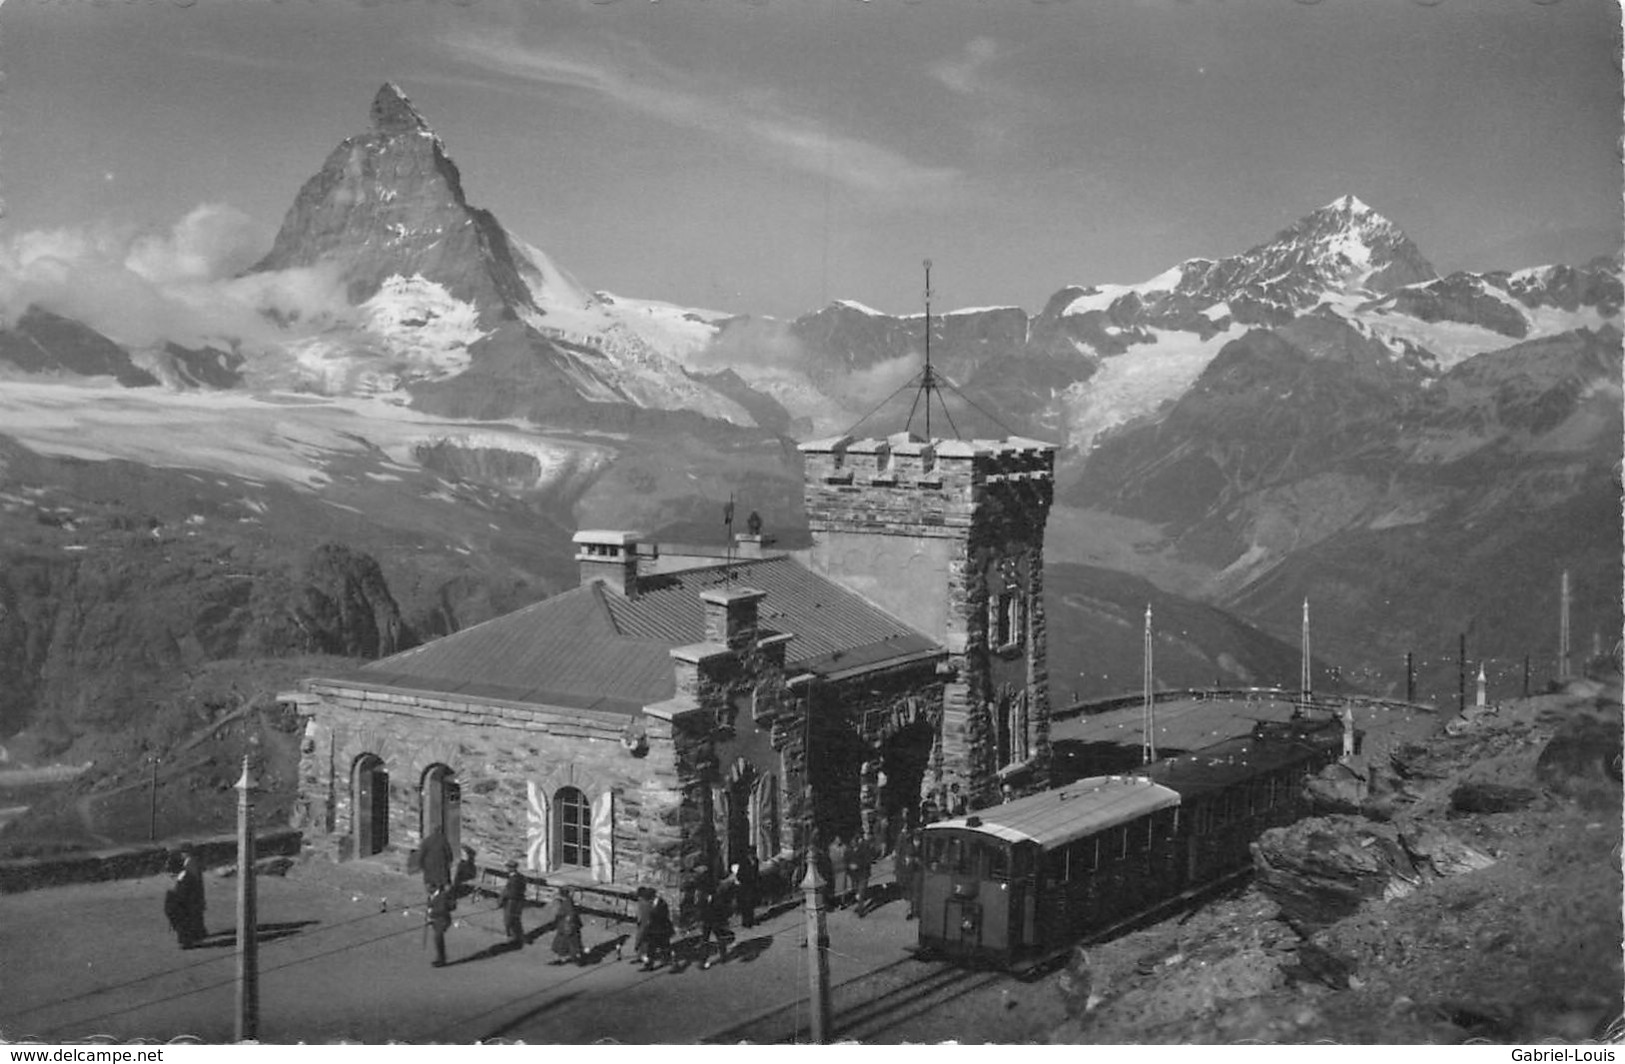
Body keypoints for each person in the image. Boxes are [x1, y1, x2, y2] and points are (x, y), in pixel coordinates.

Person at [698, 870, 735, 970]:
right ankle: (718, 957)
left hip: (711, 921)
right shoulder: (713, 896)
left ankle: (718, 957)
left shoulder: (704, 897)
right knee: (715, 939)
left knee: (713, 939)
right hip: (711, 921)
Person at [171, 848, 207, 948]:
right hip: (190, 897)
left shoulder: (190, 864)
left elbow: (190, 881)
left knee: (189, 920)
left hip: (189, 898)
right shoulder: (190, 864)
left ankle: (190, 941)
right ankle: (196, 937)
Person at [550, 887, 584, 965]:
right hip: (567, 927)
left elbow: (570, 914)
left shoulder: (567, 902)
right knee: (568, 944)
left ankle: (575, 959)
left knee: (567, 944)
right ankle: (570, 958)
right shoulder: (567, 901)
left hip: (567, 927)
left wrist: (567, 923)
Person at [893, 828, 921, 920]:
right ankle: (910, 910)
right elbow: (902, 859)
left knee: (916, 892)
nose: (917, 842)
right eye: (916, 840)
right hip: (908, 872)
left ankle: (913, 910)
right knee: (909, 892)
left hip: (918, 872)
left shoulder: (923, 847)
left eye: (918, 840)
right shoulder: (908, 847)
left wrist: (917, 860)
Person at [499, 859, 527, 948]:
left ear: (512, 868)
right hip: (517, 902)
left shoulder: (515, 879)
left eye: (508, 867)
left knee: (509, 920)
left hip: (512, 902)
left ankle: (513, 938)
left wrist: (501, 900)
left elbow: (510, 892)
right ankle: (517, 937)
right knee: (515, 920)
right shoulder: (520, 877)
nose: (507, 869)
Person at [426, 883, 455, 968]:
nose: (427, 889)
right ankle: (441, 957)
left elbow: (442, 909)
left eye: (429, 887)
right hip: (437, 919)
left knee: (438, 937)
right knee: (438, 938)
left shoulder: (442, 896)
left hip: (442, 920)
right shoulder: (432, 896)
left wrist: (431, 914)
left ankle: (441, 959)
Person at [419, 827, 454, 893]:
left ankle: (432, 894)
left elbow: (422, 853)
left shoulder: (427, 840)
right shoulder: (443, 840)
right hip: (441, 865)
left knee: (430, 881)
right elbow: (448, 852)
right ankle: (444, 895)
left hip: (429, 865)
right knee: (443, 880)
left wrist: (421, 864)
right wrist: (450, 860)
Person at [850, 832, 873, 917]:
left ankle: (861, 909)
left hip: (863, 873)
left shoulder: (865, 847)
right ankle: (859, 906)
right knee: (857, 891)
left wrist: (857, 865)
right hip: (855, 874)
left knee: (861, 891)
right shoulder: (853, 848)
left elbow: (867, 861)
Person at [735, 850, 760, 929]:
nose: (752, 855)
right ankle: (745, 921)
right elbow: (739, 874)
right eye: (751, 854)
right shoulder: (743, 862)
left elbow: (756, 872)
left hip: (753, 885)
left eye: (754, 853)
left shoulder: (756, 861)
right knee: (745, 904)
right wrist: (745, 879)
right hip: (745, 885)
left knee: (751, 902)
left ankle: (751, 919)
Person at [827, 836, 849, 909]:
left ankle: (842, 902)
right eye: (837, 839)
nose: (839, 840)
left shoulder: (844, 847)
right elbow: (829, 858)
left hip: (842, 868)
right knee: (834, 886)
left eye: (840, 839)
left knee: (842, 886)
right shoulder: (831, 848)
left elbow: (847, 856)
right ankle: (835, 901)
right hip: (834, 869)